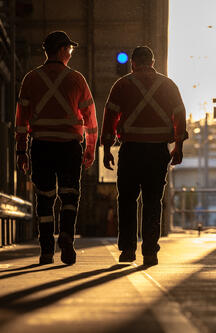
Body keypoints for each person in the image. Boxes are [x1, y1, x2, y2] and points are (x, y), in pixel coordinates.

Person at [15, 31, 98, 265]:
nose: (71, 53)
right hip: (70, 147)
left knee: (44, 198)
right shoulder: (77, 79)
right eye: (69, 49)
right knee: (70, 194)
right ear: (62, 50)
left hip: (41, 146)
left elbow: (21, 121)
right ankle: (67, 236)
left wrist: (21, 151)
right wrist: (91, 147)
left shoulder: (31, 79)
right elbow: (90, 118)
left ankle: (46, 251)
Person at [101, 46, 187, 266]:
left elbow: (110, 116)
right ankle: (150, 251)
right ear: (153, 62)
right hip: (158, 151)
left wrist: (108, 147)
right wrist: (178, 146)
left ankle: (128, 250)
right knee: (152, 201)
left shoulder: (122, 85)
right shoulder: (168, 85)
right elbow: (179, 114)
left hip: (131, 150)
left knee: (127, 200)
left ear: (133, 63)